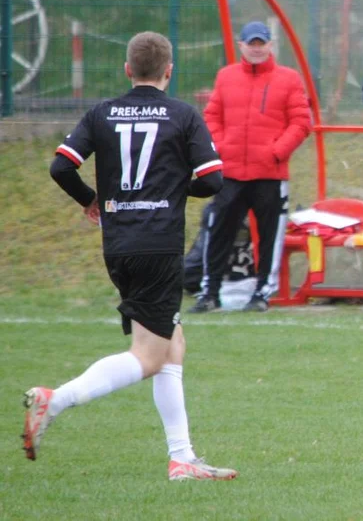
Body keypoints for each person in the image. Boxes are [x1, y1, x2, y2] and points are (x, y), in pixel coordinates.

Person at [27, 31, 236, 481]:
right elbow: (214, 179)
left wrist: (90, 199)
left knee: (173, 345)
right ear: (169, 70)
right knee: (150, 355)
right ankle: (55, 399)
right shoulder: (182, 114)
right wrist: (179, 188)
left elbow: (62, 165)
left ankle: (182, 458)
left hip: (119, 244)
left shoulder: (102, 112)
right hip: (159, 245)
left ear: (127, 69)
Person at [191, 21, 312, 313]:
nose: (256, 49)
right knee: (218, 230)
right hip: (229, 173)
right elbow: (211, 117)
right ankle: (210, 291)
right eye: (251, 44)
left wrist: (276, 151)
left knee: (270, 235)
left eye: (261, 43)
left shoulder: (289, 79)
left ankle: (262, 292)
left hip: (269, 174)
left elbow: (301, 122)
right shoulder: (226, 77)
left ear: (270, 45)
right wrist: (220, 148)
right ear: (241, 45)